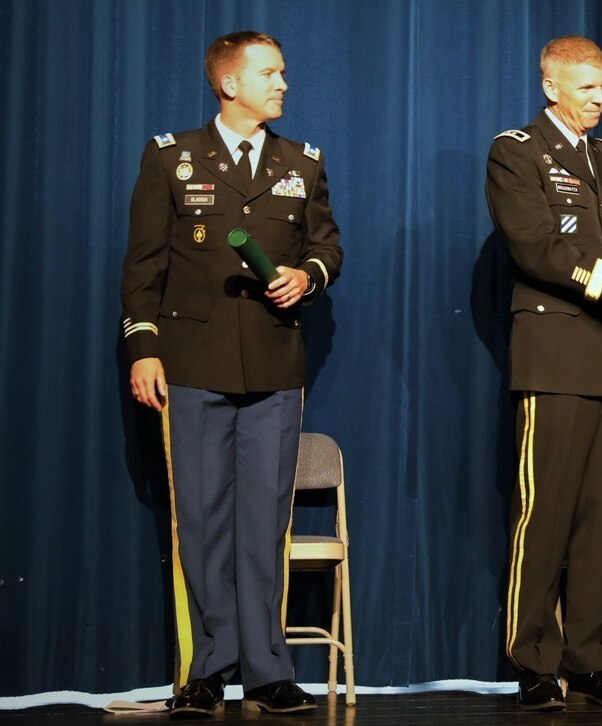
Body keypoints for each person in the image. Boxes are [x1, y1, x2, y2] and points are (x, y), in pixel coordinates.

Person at [121, 31, 342, 718]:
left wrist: (307, 275)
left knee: (263, 522)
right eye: (270, 73)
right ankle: (206, 669)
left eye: (282, 72)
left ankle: (268, 670)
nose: (283, 84)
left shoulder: (302, 163)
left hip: (275, 366)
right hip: (192, 366)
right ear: (228, 84)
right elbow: (143, 268)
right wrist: (144, 348)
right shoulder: (172, 159)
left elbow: (328, 247)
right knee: (203, 521)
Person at [484, 35, 602, 712]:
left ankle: (591, 659)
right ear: (551, 86)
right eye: (587, 86)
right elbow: (538, 249)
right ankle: (533, 661)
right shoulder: (517, 151)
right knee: (544, 516)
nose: (600, 98)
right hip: (556, 359)